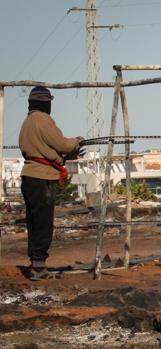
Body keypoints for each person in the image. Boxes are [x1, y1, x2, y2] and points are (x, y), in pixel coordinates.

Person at [19, 86, 83, 280]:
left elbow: (42, 150)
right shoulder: (43, 120)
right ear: (45, 102)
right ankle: (39, 267)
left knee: (33, 221)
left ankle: (35, 262)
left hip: (29, 176)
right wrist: (76, 142)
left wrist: (62, 157)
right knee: (43, 222)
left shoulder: (27, 122)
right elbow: (62, 144)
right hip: (42, 177)